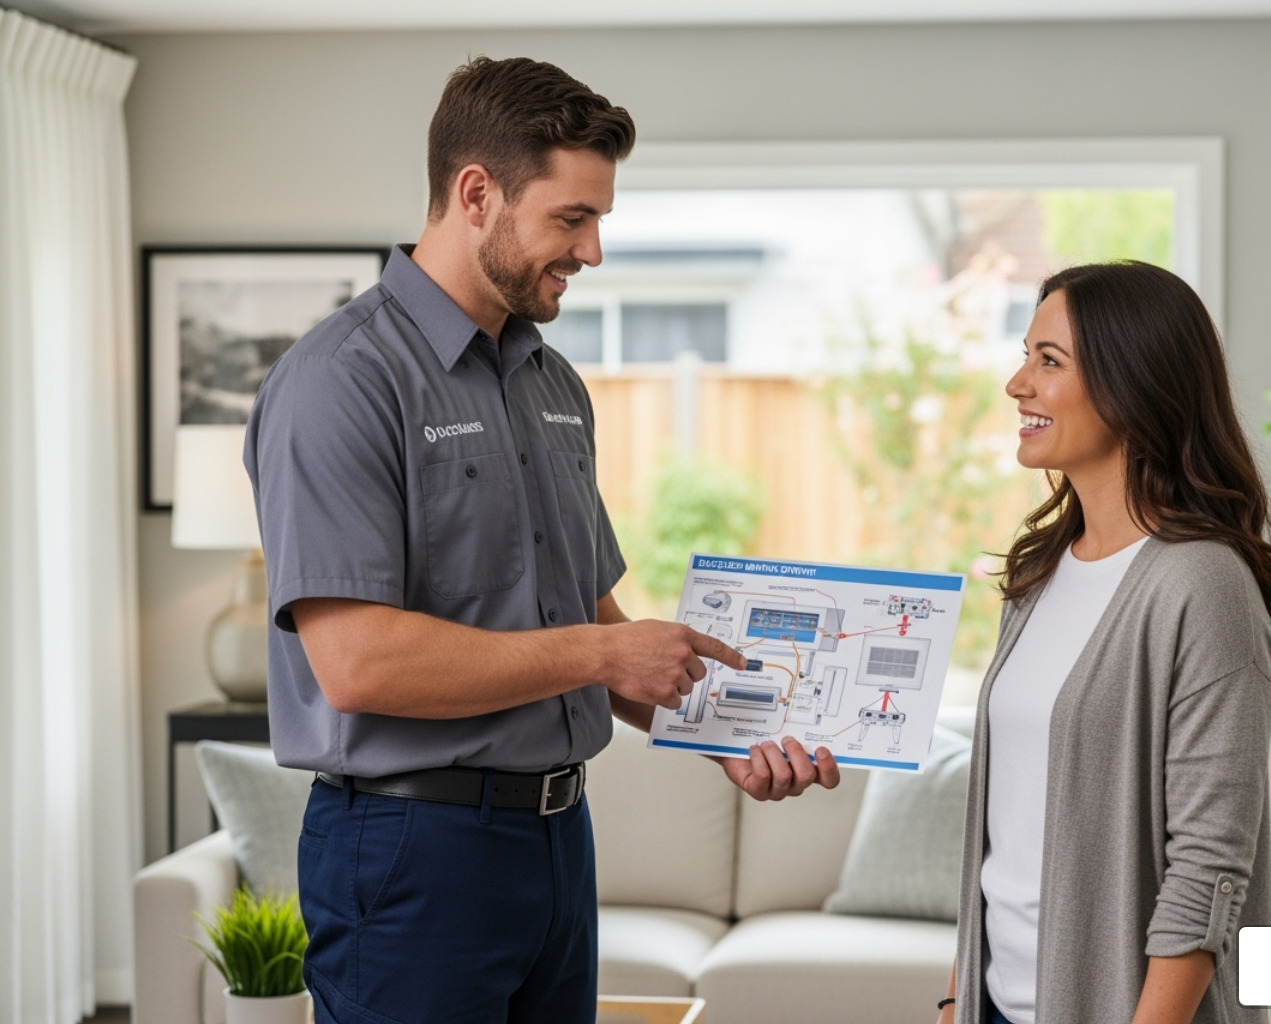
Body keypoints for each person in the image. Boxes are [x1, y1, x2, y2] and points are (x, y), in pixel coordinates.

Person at [244, 56, 839, 1024]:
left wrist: (730, 739)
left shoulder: (552, 384)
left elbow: (591, 621)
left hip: (559, 840)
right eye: (572, 218)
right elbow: (358, 663)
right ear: (477, 193)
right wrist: (604, 651)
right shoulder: (340, 380)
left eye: (598, 219)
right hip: (410, 849)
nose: (592, 250)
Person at [936, 262, 1271, 1024]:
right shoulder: (1038, 573)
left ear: (1132, 384)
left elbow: (1207, 866)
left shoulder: (1202, 585)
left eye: (1049, 361)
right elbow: (1002, 834)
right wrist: (956, 998)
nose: (1017, 384)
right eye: (1025, 356)